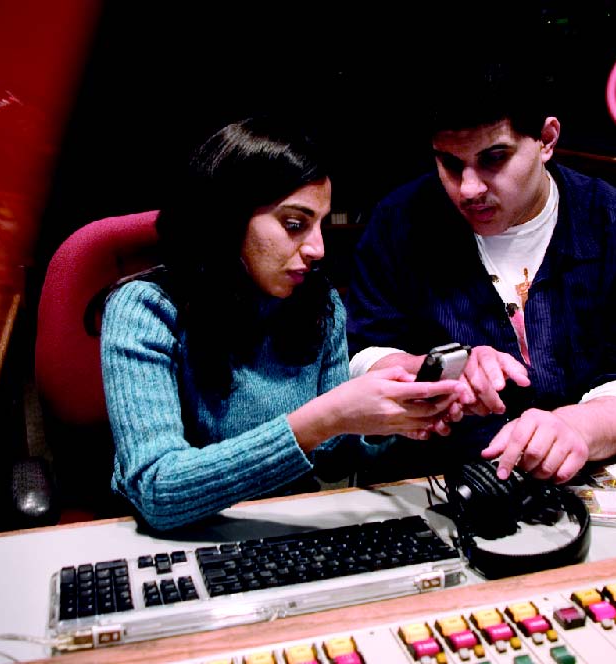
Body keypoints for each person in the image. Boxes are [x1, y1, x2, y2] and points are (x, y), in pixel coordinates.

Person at [100, 117, 465, 530]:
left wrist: (400, 421)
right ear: (227, 217)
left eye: (320, 225)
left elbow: (336, 456)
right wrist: (325, 418)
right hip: (178, 541)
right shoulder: (145, 309)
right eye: (295, 224)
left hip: (283, 528)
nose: (318, 248)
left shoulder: (318, 302)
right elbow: (157, 491)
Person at [346, 63, 616, 485]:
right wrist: (433, 370)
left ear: (546, 140)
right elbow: (364, 354)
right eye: (450, 165)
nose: (469, 189)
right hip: (433, 479)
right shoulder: (399, 223)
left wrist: (579, 426)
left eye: (494, 159)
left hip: (590, 478)